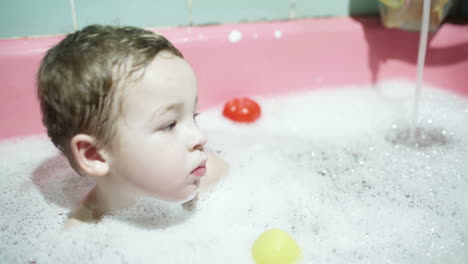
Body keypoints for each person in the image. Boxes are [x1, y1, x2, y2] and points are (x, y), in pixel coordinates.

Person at [37, 25, 228, 226]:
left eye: (194, 116)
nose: (200, 137)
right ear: (95, 154)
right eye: (170, 125)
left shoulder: (213, 176)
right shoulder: (81, 235)